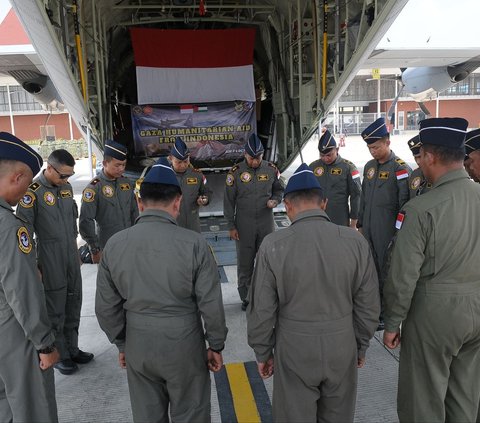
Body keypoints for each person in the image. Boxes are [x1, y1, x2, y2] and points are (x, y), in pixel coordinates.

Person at [96, 157, 228, 423]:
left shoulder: (115, 245)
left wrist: (123, 343)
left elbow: (105, 308)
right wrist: (215, 344)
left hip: (139, 344)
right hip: (185, 344)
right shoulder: (194, 243)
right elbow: (211, 303)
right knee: (191, 414)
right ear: (178, 203)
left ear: (139, 203)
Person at [247, 163, 380, 423]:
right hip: (342, 344)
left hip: (294, 348)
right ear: (324, 203)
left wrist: (263, 352)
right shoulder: (355, 241)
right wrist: (360, 345)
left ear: (287, 205)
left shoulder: (273, 245)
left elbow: (262, 308)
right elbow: (368, 303)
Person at [383, 118, 480, 423]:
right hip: (476, 310)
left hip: (434, 316)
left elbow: (403, 276)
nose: (420, 161)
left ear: (432, 157)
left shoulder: (421, 209)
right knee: (464, 396)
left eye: (422, 154)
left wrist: (393, 323)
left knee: (422, 401)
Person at [17, 149, 93, 375]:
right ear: (49, 168)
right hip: (49, 256)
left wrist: (77, 251)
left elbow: (72, 222)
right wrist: (34, 264)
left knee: (74, 300)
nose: (66, 180)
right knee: (55, 306)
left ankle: (73, 348)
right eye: (62, 176)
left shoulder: (67, 189)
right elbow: (24, 233)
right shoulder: (32, 193)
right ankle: (60, 354)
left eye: (69, 176)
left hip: (70, 252)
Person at [0, 132, 59, 422]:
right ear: (17, 176)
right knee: (34, 409)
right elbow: (22, 290)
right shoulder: (10, 227)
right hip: (16, 335)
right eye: (26, 183)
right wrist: (44, 344)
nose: (26, 192)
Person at [357, 117, 411, 330]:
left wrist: (398, 233)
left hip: (387, 231)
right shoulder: (369, 167)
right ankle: (374, 310)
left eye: (377, 147)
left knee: (386, 273)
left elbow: (405, 205)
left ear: (388, 142)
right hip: (368, 229)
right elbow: (364, 198)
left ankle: (387, 315)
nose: (373, 152)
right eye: (370, 148)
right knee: (370, 271)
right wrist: (360, 224)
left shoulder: (400, 168)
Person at [224, 133, 284, 310]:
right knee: (245, 262)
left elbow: (279, 190)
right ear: (245, 155)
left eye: (258, 158)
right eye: (251, 158)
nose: (255, 162)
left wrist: (275, 200)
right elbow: (228, 201)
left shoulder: (271, 169)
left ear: (262, 155)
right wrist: (230, 225)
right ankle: (247, 297)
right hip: (244, 223)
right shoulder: (235, 173)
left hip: (266, 222)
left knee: (268, 260)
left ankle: (269, 295)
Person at [79, 140, 138, 263]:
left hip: (128, 244)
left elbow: (134, 212)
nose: (121, 169)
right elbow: (86, 220)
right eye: (117, 165)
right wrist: (94, 249)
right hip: (107, 246)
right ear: (105, 163)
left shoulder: (126, 183)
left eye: (124, 165)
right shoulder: (94, 188)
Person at [309, 129, 361, 227]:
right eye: (322, 155)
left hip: (339, 219)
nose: (325, 158)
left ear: (337, 150)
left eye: (329, 155)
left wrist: (353, 223)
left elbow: (356, 196)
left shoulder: (348, 168)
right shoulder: (313, 167)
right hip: (316, 217)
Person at [168, 137, 211, 232]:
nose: (183, 165)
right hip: (172, 224)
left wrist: (204, 199)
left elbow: (207, 192)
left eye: (185, 161)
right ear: (171, 158)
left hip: (193, 224)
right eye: (178, 162)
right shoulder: (164, 176)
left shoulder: (197, 175)